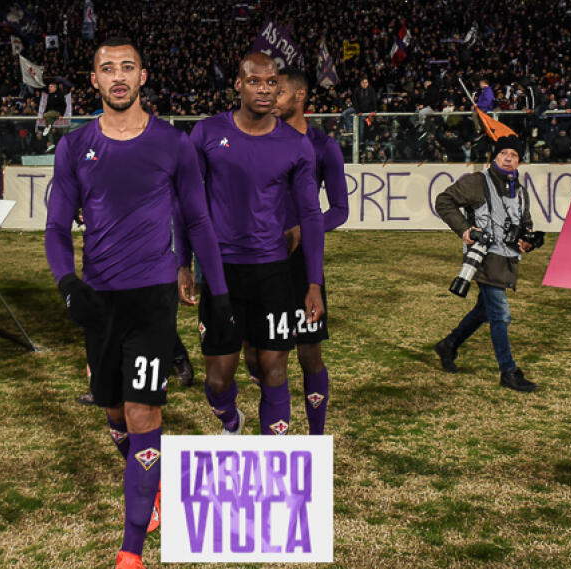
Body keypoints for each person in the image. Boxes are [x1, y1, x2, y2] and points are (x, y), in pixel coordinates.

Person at [43, 37, 231, 569]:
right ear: (95, 81)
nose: (119, 76)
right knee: (113, 413)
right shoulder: (74, 147)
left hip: (152, 297)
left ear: (143, 76)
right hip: (99, 300)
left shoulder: (173, 144)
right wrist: (67, 283)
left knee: (144, 409)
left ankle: (131, 549)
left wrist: (217, 294)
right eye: (108, 69)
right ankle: (151, 482)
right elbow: (57, 227)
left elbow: (197, 221)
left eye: (128, 67)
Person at [181, 52, 325, 439]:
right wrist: (183, 263)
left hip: (274, 272)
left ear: (280, 87)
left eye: (271, 82)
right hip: (221, 271)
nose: (264, 89)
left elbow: (311, 216)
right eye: (255, 81)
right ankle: (232, 421)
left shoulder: (296, 145)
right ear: (238, 85)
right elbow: (188, 205)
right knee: (217, 379)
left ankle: (272, 456)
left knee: (272, 367)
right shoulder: (207, 133)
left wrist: (313, 283)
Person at [243, 67, 348, 434]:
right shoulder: (254, 140)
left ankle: (314, 436)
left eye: (280, 92)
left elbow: (339, 209)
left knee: (308, 353)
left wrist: (304, 230)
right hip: (255, 261)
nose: (270, 98)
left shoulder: (323, 146)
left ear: (300, 96)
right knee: (255, 354)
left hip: (301, 267)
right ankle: (273, 419)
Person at [432, 134, 541, 392]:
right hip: (482, 257)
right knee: (500, 313)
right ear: (495, 156)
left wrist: (528, 240)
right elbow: (443, 201)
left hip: (508, 259)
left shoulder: (521, 191)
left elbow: (525, 224)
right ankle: (508, 370)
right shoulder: (476, 182)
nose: (509, 158)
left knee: (485, 310)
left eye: (514, 155)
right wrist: (464, 230)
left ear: (520, 162)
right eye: (504, 153)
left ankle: (449, 344)